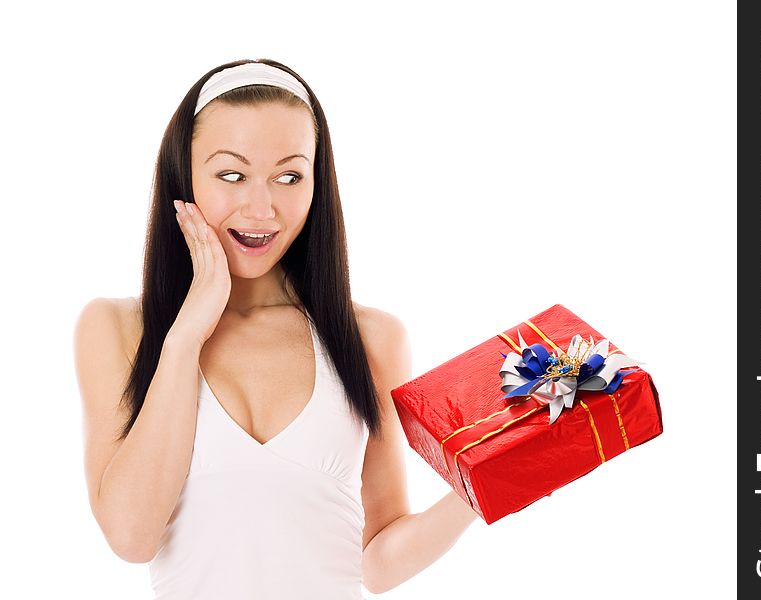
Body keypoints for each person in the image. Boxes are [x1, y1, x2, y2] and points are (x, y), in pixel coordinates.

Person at [73, 58, 479, 599]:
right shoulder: (118, 328)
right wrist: (186, 336)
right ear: (184, 175)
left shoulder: (371, 338)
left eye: (289, 176)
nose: (262, 208)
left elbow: (377, 563)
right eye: (231, 175)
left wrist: (488, 481)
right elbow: (131, 535)